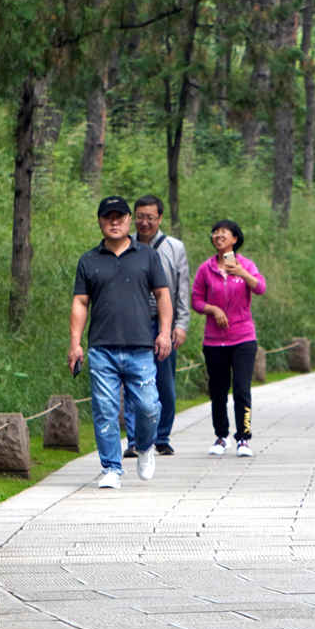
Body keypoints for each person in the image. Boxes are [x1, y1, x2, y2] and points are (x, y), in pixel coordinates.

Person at [69, 196, 173, 490]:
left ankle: (144, 446)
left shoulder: (148, 255)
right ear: (100, 222)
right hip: (102, 348)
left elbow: (163, 295)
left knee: (149, 407)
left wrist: (164, 332)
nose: (114, 222)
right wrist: (75, 343)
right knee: (104, 409)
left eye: (120, 217)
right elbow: (80, 302)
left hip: (141, 347)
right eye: (107, 217)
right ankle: (111, 468)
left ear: (129, 220)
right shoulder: (89, 260)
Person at [193, 219, 267, 457]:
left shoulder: (245, 265)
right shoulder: (206, 268)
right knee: (217, 390)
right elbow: (196, 300)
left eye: (223, 233)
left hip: (243, 338)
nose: (218, 236)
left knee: (242, 389)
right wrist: (213, 310)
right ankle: (221, 437)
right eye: (215, 233)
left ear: (235, 238)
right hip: (214, 341)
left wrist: (243, 273)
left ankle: (243, 438)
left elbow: (260, 288)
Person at [124, 196, 191, 457]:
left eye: (150, 217)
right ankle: (133, 439)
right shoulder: (124, 245)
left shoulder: (174, 248)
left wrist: (181, 325)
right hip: (134, 325)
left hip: (165, 325)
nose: (144, 222)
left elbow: (182, 289)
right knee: (132, 382)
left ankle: (162, 437)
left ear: (159, 218)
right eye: (140, 217)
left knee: (165, 383)